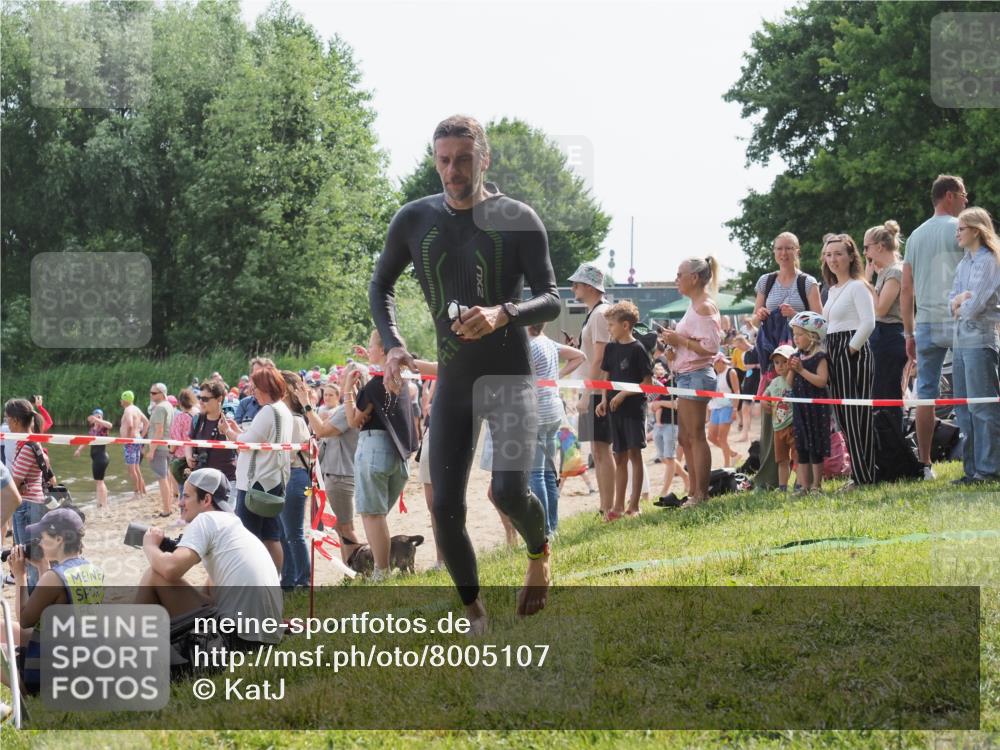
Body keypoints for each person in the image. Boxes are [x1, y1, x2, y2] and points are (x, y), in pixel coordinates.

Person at [370, 114, 560, 631]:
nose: (452, 171)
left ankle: (539, 553)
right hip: (454, 382)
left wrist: (505, 312)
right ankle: (474, 610)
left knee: (507, 491)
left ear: (485, 159)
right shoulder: (413, 219)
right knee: (445, 505)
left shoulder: (517, 217)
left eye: (463, 159)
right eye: (444, 160)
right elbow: (380, 286)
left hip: (510, 377)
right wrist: (393, 346)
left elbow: (552, 299)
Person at [135, 468, 282, 649]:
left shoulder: (207, 520)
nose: (180, 502)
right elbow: (210, 598)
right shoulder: (233, 526)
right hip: (262, 639)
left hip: (235, 640)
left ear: (206, 500)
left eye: (186, 496)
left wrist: (149, 545)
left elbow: (170, 570)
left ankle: (137, 649)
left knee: (154, 575)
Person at [901, 175, 968, 479]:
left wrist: (908, 331)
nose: (967, 200)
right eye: (964, 195)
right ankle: (974, 458)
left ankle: (925, 464)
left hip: (926, 322)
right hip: (959, 320)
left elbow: (906, 289)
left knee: (925, 394)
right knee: (969, 390)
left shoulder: (914, 236)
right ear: (950, 196)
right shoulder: (962, 229)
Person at [4, 507, 103, 695]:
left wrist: (20, 576)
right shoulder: (91, 569)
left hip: (54, 673)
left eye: (43, 537)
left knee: (3, 650)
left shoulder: (54, 577)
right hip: (82, 661)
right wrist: (43, 566)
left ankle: (24, 694)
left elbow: (25, 620)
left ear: (59, 539)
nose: (39, 543)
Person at [345, 330, 419, 579]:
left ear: (384, 352)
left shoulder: (374, 385)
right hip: (397, 455)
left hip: (373, 449)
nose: (369, 350)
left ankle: (381, 571)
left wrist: (347, 390)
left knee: (372, 515)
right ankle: (382, 569)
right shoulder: (401, 382)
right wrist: (370, 359)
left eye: (371, 346)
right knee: (377, 516)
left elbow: (354, 420)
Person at [661, 257, 723, 507]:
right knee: (685, 438)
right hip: (687, 375)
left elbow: (711, 347)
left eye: (679, 275)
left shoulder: (705, 307)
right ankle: (694, 492)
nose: (676, 279)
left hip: (696, 375)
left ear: (694, 278)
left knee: (695, 436)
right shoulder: (695, 305)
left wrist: (680, 342)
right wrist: (674, 351)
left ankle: (701, 495)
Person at [222, 365, 292, 572]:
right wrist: (239, 432)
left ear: (265, 388)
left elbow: (247, 443)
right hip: (273, 480)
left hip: (255, 483)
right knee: (271, 536)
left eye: (255, 389)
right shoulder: (283, 410)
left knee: (248, 538)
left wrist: (229, 432)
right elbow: (258, 438)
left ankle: (254, 583)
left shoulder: (268, 410)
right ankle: (274, 580)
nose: (253, 393)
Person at [948, 207, 1000, 484]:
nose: (957, 233)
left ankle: (989, 469)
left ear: (976, 230)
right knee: (963, 407)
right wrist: (959, 301)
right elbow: (952, 303)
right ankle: (972, 470)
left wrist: (961, 302)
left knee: (982, 407)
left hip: (980, 341)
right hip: (960, 341)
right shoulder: (964, 263)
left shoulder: (990, 261)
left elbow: (974, 306)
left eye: (961, 229)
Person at [822, 234, 876, 489]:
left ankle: (865, 476)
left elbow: (868, 322)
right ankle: (859, 472)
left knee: (857, 416)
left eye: (839, 254)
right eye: (829, 254)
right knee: (844, 417)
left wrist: (850, 350)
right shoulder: (832, 290)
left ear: (851, 256)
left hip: (851, 351)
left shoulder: (857, 286)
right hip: (833, 350)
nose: (833, 259)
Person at [298, 366, 362, 565]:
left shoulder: (348, 409)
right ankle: (352, 570)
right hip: (338, 472)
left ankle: (359, 570)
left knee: (345, 527)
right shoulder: (349, 407)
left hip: (341, 473)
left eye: (343, 378)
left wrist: (307, 406)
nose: (340, 380)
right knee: (342, 527)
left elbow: (321, 430)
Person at [595, 301, 653, 520]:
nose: (609, 329)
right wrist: (603, 399)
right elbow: (606, 377)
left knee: (634, 455)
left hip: (633, 409)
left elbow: (648, 383)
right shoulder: (611, 348)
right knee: (618, 457)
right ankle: (618, 506)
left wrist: (623, 394)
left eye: (611, 325)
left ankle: (634, 505)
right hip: (612, 409)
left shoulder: (638, 349)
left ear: (626, 325)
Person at [568, 262, 615, 519]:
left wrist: (588, 394)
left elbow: (600, 357)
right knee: (598, 451)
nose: (573, 287)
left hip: (596, 391)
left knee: (601, 450)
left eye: (576, 283)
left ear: (589, 286)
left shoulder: (599, 314)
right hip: (594, 388)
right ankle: (606, 506)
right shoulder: (596, 312)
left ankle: (609, 507)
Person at [528, 322, 585, 535]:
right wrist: (556, 377)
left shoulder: (531, 347)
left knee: (536, 474)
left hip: (537, 413)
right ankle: (553, 526)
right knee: (548, 473)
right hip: (553, 410)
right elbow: (580, 356)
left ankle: (544, 529)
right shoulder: (548, 343)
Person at [751, 232, 824, 389]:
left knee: (797, 395)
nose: (783, 253)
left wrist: (795, 316)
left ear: (797, 251)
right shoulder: (766, 281)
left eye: (788, 248)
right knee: (775, 398)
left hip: (802, 354)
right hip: (773, 355)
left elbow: (820, 321)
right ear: (774, 252)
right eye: (779, 249)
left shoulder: (807, 282)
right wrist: (760, 315)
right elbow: (754, 321)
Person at [5, 399, 54, 591]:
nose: (7, 423)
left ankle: (35, 598)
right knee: (32, 555)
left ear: (16, 421)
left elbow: (14, 482)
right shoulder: (32, 442)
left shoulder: (26, 446)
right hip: (33, 502)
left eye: (7, 419)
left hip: (27, 506)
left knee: (30, 557)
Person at [863, 221, 907, 430]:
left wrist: (867, 282)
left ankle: (894, 448)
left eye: (866, 248)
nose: (865, 253)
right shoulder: (886, 272)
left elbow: (880, 309)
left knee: (887, 395)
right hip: (881, 336)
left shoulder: (895, 272)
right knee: (879, 393)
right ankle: (885, 447)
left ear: (879, 246)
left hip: (889, 336)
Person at [787, 313, 831, 494]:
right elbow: (789, 383)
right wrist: (792, 369)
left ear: (813, 336)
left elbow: (822, 381)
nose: (795, 338)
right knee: (802, 448)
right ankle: (804, 486)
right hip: (800, 409)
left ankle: (816, 486)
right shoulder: (797, 356)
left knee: (815, 447)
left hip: (816, 409)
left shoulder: (820, 357)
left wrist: (801, 370)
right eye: (794, 334)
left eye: (799, 334)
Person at [278, 371, 312, 590]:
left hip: (294, 475)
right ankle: (289, 581)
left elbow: (286, 455)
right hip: (287, 476)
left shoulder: (294, 420)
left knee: (293, 534)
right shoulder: (287, 418)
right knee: (283, 534)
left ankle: (303, 580)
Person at [650, 360, 688, 506]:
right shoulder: (661, 385)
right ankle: (686, 478)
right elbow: (651, 404)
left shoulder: (676, 383)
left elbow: (676, 405)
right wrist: (658, 404)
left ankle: (664, 491)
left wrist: (659, 404)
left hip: (672, 424)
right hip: (659, 425)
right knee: (663, 457)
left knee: (669, 457)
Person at [185, 380, 237, 482]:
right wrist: (188, 456)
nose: (200, 402)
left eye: (205, 399)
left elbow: (240, 448)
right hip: (201, 479)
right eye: (199, 398)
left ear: (219, 399)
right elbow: (189, 440)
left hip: (226, 480)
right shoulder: (197, 419)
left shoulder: (229, 422)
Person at [762, 346, 797, 491]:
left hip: (793, 425)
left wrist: (793, 369)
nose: (780, 365)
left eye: (784, 361)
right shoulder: (774, 382)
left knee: (798, 457)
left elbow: (789, 384)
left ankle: (800, 484)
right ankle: (783, 487)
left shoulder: (795, 378)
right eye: (776, 362)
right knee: (782, 460)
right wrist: (764, 400)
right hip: (778, 427)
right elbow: (765, 395)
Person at [73, 408, 113, 512]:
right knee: (98, 481)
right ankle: (99, 503)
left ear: (101, 417)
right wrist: (79, 450)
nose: (96, 419)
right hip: (96, 458)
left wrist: (97, 419)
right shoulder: (93, 430)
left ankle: (104, 505)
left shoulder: (103, 428)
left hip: (101, 457)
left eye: (99, 416)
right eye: (95, 416)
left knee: (100, 482)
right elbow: (87, 441)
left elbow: (110, 425)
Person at [707, 353, 740, 467]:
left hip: (727, 407)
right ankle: (733, 454)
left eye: (715, 363)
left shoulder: (731, 372)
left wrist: (735, 409)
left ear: (721, 361)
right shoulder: (716, 374)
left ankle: (727, 465)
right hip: (716, 407)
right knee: (711, 437)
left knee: (722, 438)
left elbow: (737, 392)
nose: (713, 366)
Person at [147, 383, 175, 517]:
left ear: (162, 394)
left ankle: (166, 509)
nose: (151, 395)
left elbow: (159, 430)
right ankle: (168, 506)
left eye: (153, 393)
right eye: (150, 392)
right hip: (167, 445)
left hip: (159, 447)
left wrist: (151, 450)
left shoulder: (159, 408)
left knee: (162, 478)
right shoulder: (169, 406)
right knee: (166, 477)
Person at [119, 390, 148, 501]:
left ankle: (136, 493)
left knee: (132, 469)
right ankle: (142, 491)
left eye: (121, 399)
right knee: (136, 467)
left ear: (125, 400)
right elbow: (147, 423)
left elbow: (130, 424)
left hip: (131, 441)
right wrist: (141, 436)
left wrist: (128, 439)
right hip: (137, 439)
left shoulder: (128, 410)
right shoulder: (136, 409)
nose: (120, 401)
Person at [168, 388, 199, 491]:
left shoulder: (180, 417)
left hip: (182, 458)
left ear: (180, 403)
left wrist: (171, 451)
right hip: (197, 456)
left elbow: (175, 439)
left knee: (183, 486)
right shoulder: (198, 414)